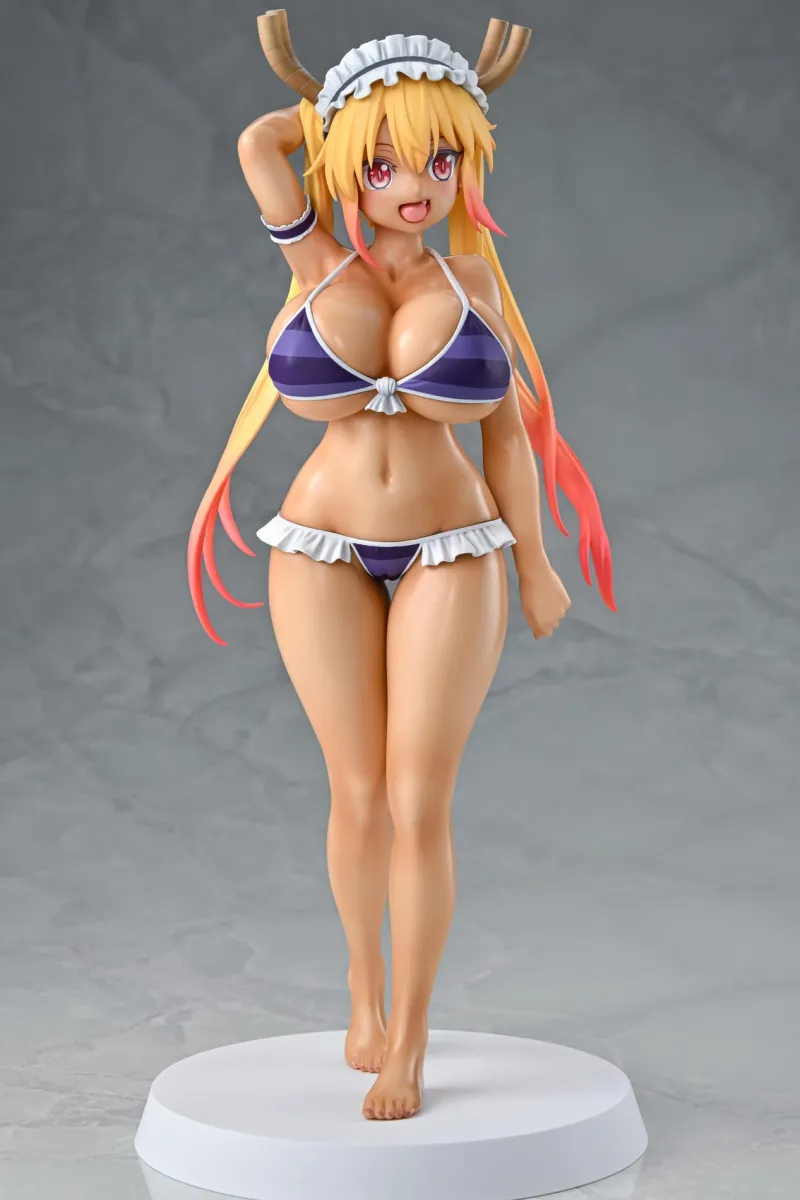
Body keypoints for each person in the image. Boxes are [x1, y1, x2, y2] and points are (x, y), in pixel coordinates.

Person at [187, 14, 616, 1121]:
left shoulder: (474, 286)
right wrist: (338, 108)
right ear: (345, 168)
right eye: (381, 164)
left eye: (438, 157)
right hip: (318, 544)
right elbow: (256, 145)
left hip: (451, 548)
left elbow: (506, 439)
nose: (413, 185)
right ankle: (362, 990)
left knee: (421, 798)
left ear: (468, 160)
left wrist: (535, 564)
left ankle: (411, 1042)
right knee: (358, 790)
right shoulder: (312, 262)